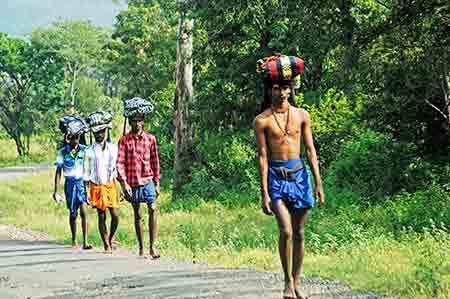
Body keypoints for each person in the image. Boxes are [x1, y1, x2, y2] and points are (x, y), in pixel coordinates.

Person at [254, 55, 325, 299]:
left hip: (300, 177)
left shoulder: (302, 115)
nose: (282, 92)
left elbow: (310, 151)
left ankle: (296, 282)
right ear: (269, 89)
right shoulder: (262, 120)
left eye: (285, 87)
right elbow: (263, 157)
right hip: (276, 177)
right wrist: (264, 192)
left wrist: (318, 183)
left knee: (300, 233)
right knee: (285, 231)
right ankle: (286, 282)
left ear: (291, 88)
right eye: (276, 88)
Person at [116, 97, 161, 259]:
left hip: (148, 179)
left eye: (140, 120)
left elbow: (155, 162)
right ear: (129, 122)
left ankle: (152, 247)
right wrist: (124, 184)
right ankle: (141, 248)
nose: (137, 124)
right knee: (138, 213)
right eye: (134, 121)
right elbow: (119, 164)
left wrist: (157, 183)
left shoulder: (150, 139)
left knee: (153, 208)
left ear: (144, 121)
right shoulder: (124, 141)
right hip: (133, 182)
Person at [53, 115, 93, 250]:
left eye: (77, 137)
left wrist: (88, 189)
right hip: (69, 184)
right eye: (72, 137)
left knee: (84, 211)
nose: (74, 140)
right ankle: (74, 239)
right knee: (72, 213)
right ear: (67, 138)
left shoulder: (84, 150)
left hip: (81, 183)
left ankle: (85, 241)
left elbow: (88, 170)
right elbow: (58, 172)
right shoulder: (62, 152)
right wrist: (56, 191)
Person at [84, 111, 119, 254]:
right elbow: (86, 173)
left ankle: (111, 237)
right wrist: (86, 191)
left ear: (106, 131)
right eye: (97, 132)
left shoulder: (113, 148)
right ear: (93, 133)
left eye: (102, 131)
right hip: (96, 185)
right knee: (101, 215)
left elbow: (116, 169)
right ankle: (106, 244)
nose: (100, 134)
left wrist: (120, 188)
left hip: (110, 184)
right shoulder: (89, 151)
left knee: (115, 215)